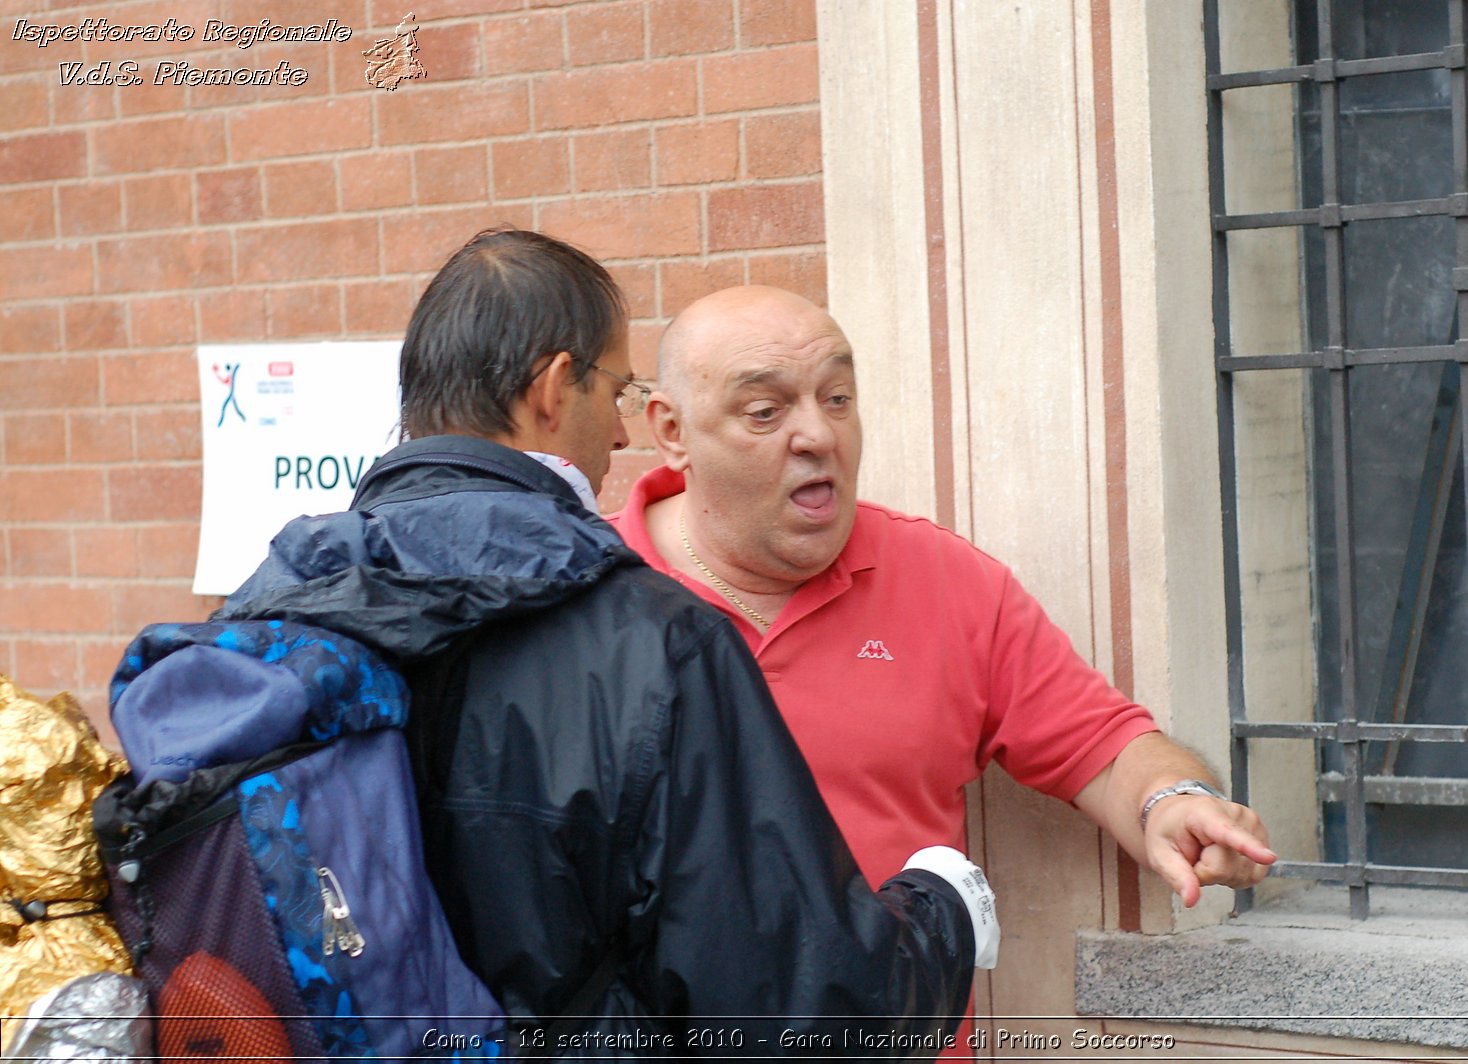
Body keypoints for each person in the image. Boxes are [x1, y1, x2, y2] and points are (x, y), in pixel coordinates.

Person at [213, 230, 997, 1053]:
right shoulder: (653, 640)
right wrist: (942, 908)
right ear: (555, 389)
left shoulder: (269, 606)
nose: (620, 438)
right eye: (617, 392)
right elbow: (805, 1014)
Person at [612, 285, 1276, 905]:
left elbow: (1102, 750)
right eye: (766, 411)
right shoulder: (586, 590)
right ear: (671, 431)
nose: (818, 435)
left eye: (838, 398)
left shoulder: (945, 582)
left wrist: (1175, 799)